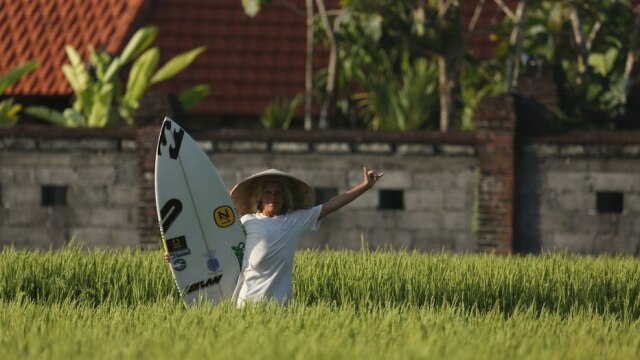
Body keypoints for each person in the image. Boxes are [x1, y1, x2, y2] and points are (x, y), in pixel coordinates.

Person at [164, 166, 384, 306]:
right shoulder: (247, 222)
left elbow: (332, 205)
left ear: (285, 197)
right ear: (259, 199)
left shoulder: (296, 220)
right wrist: (178, 255)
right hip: (246, 305)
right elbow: (215, 245)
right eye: (268, 193)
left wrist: (365, 186)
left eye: (278, 193)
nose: (273, 197)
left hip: (280, 308)